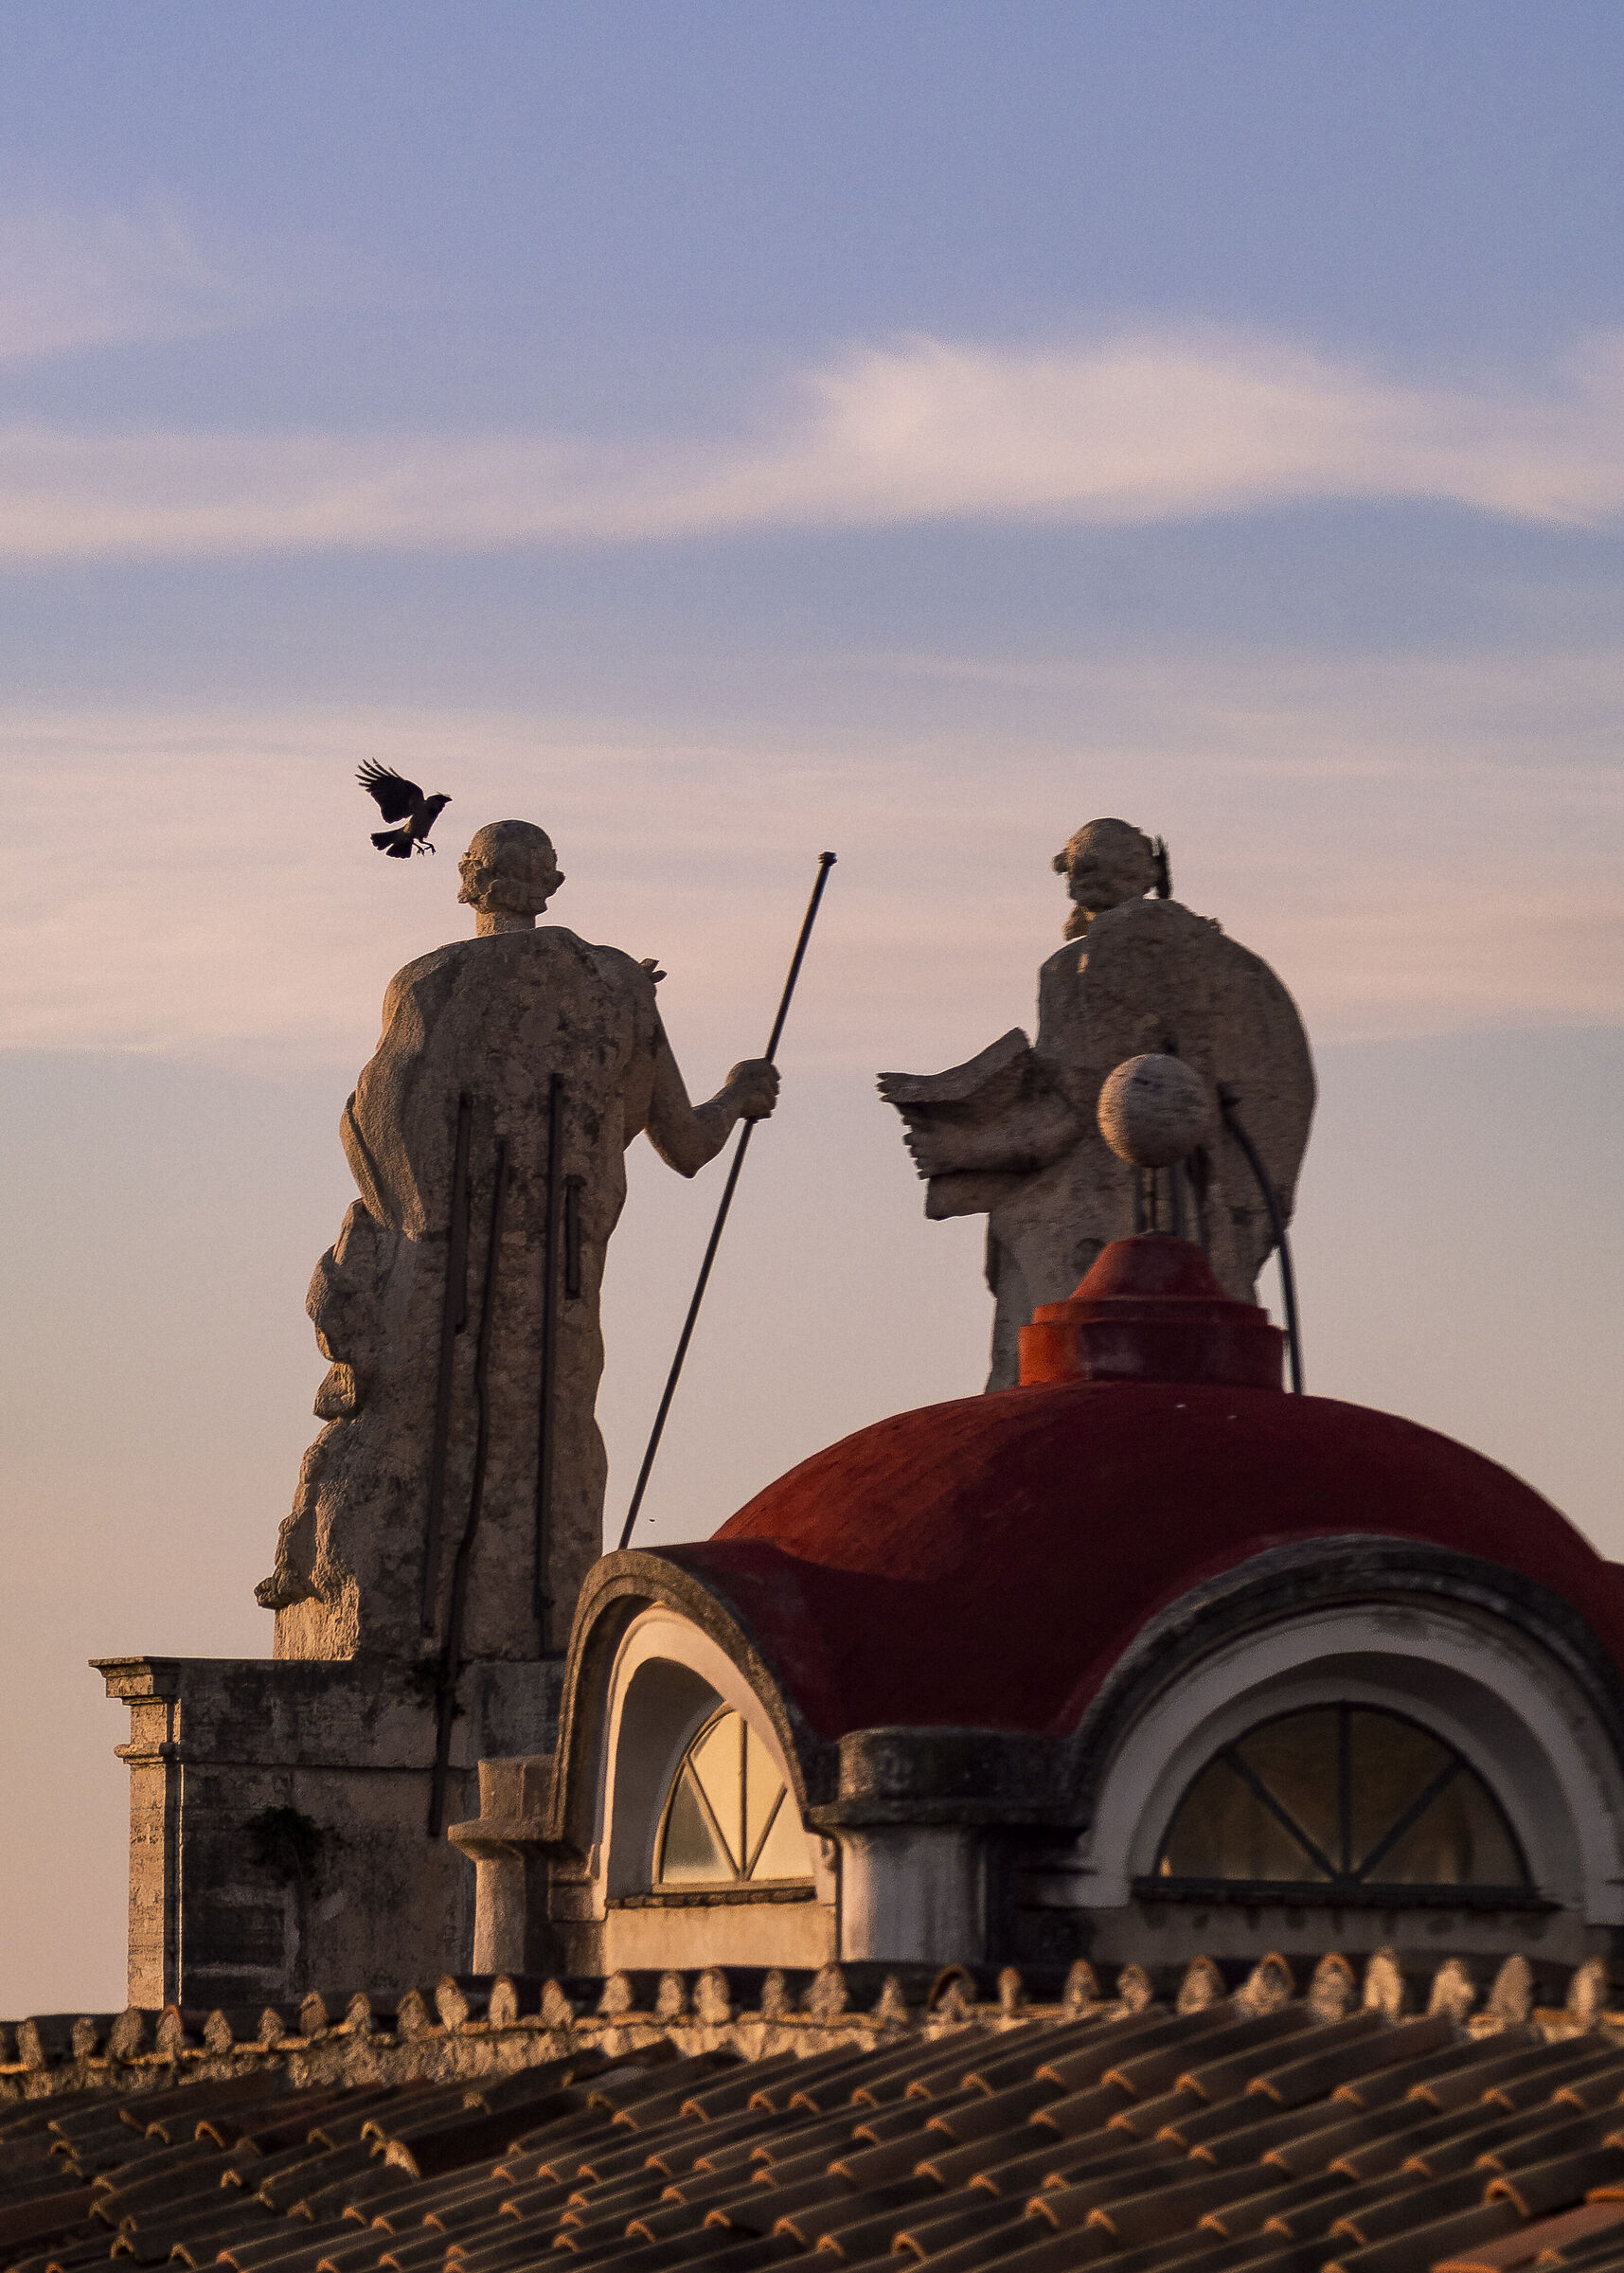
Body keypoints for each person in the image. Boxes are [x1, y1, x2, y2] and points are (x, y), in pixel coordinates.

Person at [259, 820, 777, 1661]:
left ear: (469, 881)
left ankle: (407, 1618)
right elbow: (687, 1142)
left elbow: (371, 1128)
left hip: (436, 1275)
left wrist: (423, 1229)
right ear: (553, 883)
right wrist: (738, 1095)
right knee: (556, 1434)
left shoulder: (431, 981)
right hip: (562, 1276)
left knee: (417, 1438)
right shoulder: (619, 988)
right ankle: (539, 1624)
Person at [879, 819, 1314, 1388]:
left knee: (1049, 1340)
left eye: (1100, 868)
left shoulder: (1088, 961)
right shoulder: (1211, 957)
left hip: (1099, 1201)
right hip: (1192, 1200)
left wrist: (966, 1147)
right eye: (1086, 867)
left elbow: (1088, 1104)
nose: (1091, 880)